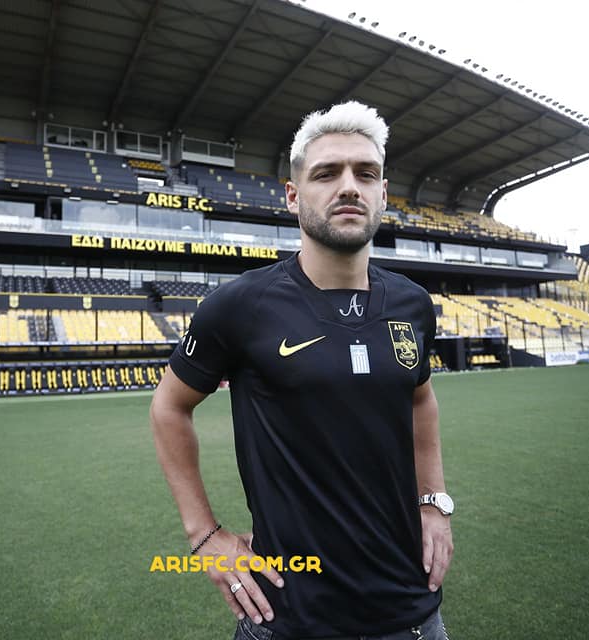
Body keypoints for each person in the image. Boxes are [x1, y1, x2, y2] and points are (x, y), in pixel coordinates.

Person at [150, 101, 453, 640]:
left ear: (384, 193)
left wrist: (433, 503)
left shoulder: (413, 304)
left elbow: (420, 399)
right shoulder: (239, 306)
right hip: (285, 617)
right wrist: (205, 536)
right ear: (293, 196)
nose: (349, 186)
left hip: (413, 612)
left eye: (366, 174)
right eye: (327, 173)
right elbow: (169, 407)